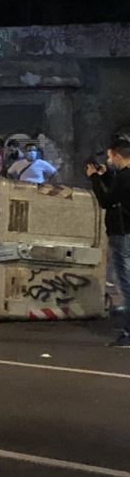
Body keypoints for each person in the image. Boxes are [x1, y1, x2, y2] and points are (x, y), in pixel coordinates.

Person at [88, 135, 130, 347]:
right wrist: (105, 178)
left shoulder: (125, 177)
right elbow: (117, 195)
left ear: (115, 155)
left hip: (122, 233)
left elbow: (106, 201)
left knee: (126, 281)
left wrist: (94, 178)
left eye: (109, 156)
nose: (108, 160)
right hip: (125, 233)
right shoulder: (122, 176)